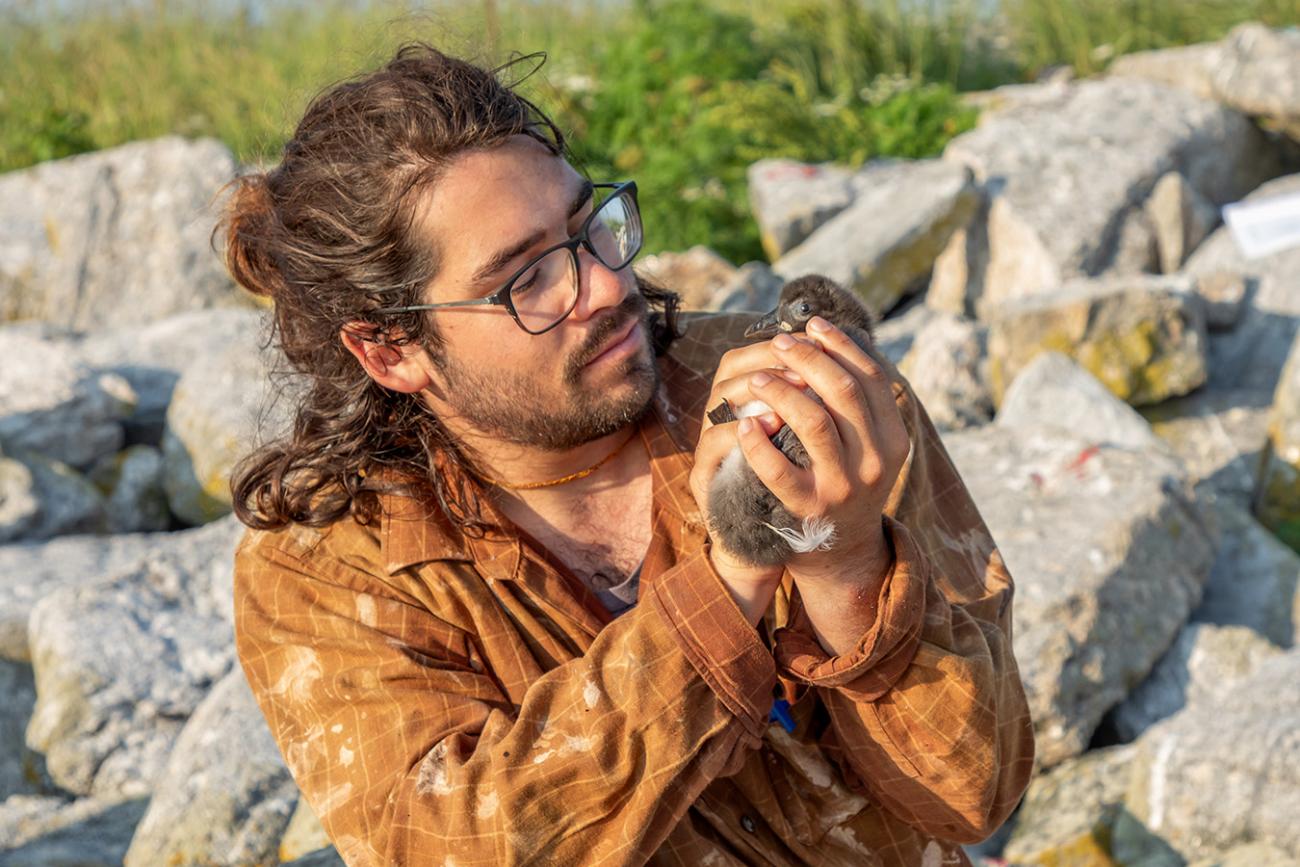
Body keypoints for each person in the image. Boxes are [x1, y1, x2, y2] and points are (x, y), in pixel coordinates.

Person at [227, 44, 1034, 867]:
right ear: (390, 350)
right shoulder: (329, 568)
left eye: (590, 229)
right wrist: (733, 584)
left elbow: (976, 794)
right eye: (528, 277)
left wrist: (847, 561)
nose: (607, 285)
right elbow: (454, 847)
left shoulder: (809, 404)